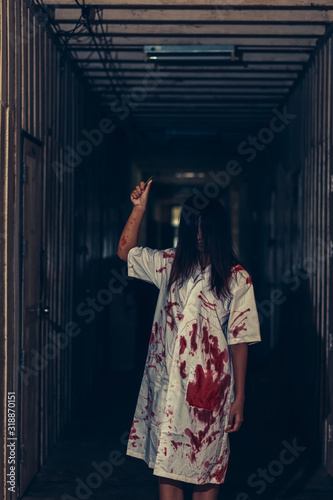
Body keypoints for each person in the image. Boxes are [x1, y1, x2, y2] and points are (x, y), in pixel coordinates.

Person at [117, 180, 262, 500]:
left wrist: (239, 396)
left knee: (206, 468)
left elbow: (240, 340)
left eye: (204, 228)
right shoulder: (169, 264)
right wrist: (138, 209)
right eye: (192, 227)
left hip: (210, 390)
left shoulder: (237, 277)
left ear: (217, 230)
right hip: (167, 385)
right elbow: (125, 252)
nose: (198, 235)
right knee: (167, 462)